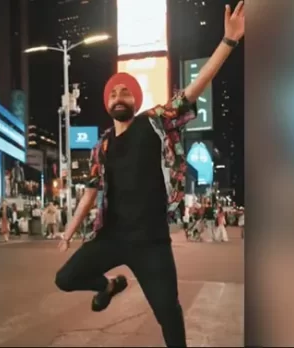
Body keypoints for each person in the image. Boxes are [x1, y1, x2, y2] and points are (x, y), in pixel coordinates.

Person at [53, 4, 244, 347]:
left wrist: (228, 42)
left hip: (151, 243)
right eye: (113, 92)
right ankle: (107, 285)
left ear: (135, 99)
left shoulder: (154, 122)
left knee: (168, 312)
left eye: (125, 91)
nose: (118, 96)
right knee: (65, 278)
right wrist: (68, 232)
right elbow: (91, 191)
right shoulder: (103, 146)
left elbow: (192, 91)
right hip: (111, 238)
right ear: (107, 103)